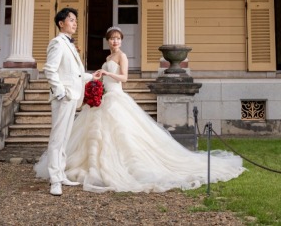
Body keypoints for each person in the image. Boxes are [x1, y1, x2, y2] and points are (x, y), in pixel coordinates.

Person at [34, 26, 245, 193]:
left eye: (118, 38)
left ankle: (121, 166)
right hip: (105, 97)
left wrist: (107, 76)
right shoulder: (108, 58)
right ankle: (77, 168)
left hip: (117, 97)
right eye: (112, 38)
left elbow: (124, 78)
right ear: (108, 41)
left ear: (121, 40)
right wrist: (96, 80)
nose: (115, 41)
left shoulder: (122, 57)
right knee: (95, 135)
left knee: (123, 134)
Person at [42, 7, 101, 196]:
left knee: (65, 138)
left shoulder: (68, 44)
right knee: (57, 139)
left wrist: (92, 77)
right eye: (71, 20)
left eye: (76, 20)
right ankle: (54, 180)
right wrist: (60, 93)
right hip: (64, 97)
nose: (75, 23)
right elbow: (50, 70)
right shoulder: (57, 43)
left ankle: (61, 174)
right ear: (61, 23)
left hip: (72, 96)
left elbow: (73, 74)